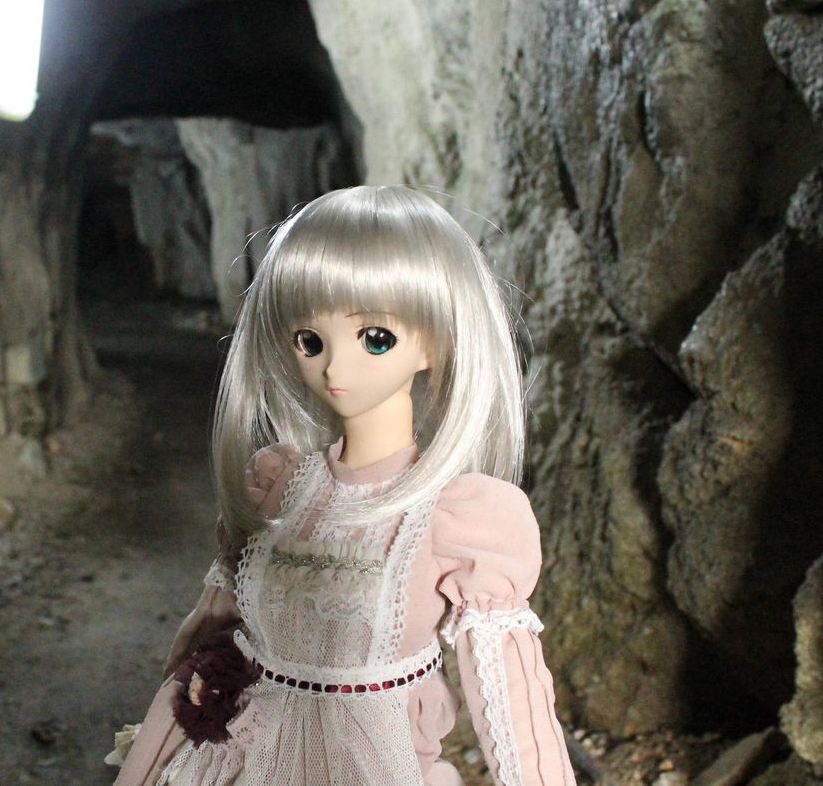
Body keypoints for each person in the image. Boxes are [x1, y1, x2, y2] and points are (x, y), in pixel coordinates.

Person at [113, 186, 576, 785]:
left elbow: (513, 700)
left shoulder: (460, 517)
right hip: (241, 758)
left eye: (375, 338)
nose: (334, 367)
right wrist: (163, 729)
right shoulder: (277, 483)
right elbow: (212, 625)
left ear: (436, 342)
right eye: (310, 341)